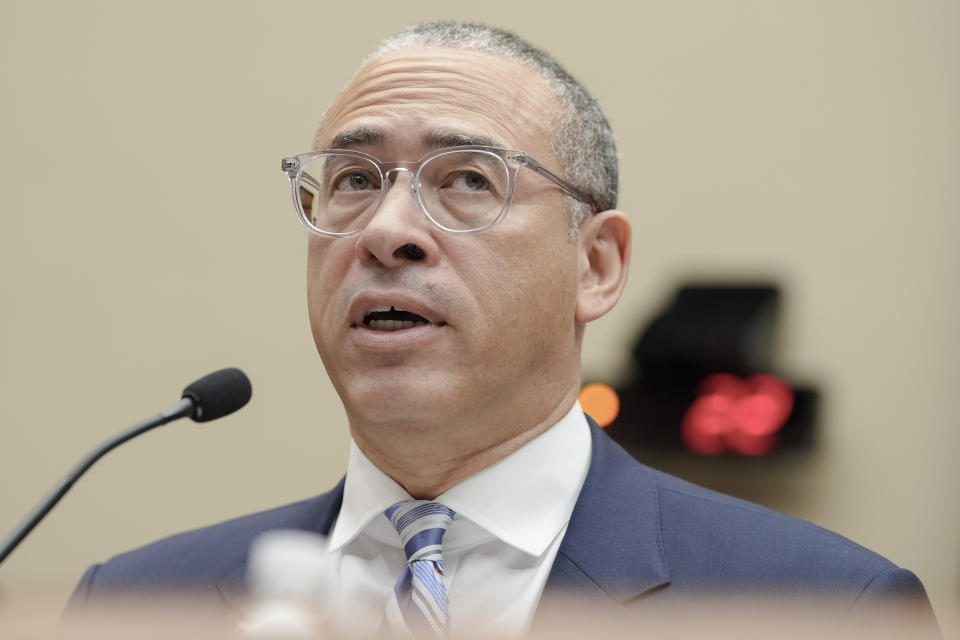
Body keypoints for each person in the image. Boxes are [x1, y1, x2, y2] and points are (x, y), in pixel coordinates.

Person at [67, 22, 937, 638]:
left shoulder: (823, 610)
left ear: (595, 266)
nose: (384, 230)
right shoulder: (136, 607)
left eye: (468, 181)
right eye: (353, 179)